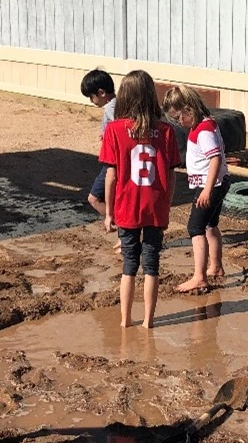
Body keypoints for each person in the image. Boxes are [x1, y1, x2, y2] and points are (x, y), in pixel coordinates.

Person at [99, 70, 180, 329]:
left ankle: (125, 321)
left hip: (126, 206)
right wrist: (166, 206)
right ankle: (149, 321)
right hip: (155, 207)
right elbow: (172, 175)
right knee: (152, 263)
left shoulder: (114, 130)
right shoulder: (166, 132)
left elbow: (111, 176)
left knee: (129, 264)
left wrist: (109, 212)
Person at [163, 85, 231, 293]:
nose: (178, 123)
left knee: (195, 228)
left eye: (177, 118)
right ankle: (216, 266)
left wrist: (207, 190)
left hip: (209, 185)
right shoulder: (204, 124)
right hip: (217, 183)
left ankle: (200, 277)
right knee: (210, 224)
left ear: (188, 109)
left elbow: (215, 158)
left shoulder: (203, 130)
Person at [80, 69, 117, 219]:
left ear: (101, 93)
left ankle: (122, 230)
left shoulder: (111, 108)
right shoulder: (117, 104)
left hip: (113, 161)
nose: (91, 100)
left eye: (91, 96)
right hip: (114, 160)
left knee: (94, 198)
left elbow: (121, 128)